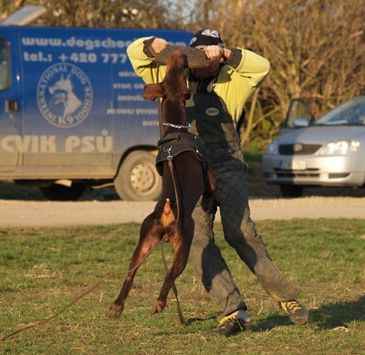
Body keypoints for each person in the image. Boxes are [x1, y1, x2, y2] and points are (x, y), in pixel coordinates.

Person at [127, 29, 309, 336]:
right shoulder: (171, 73)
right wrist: (150, 45)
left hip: (226, 164)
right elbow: (134, 53)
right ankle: (233, 312)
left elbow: (261, 66)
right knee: (195, 238)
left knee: (240, 232)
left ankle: (285, 298)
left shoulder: (232, 80)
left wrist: (225, 54)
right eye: (199, 54)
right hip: (189, 167)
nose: (204, 61)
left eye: (212, 54)